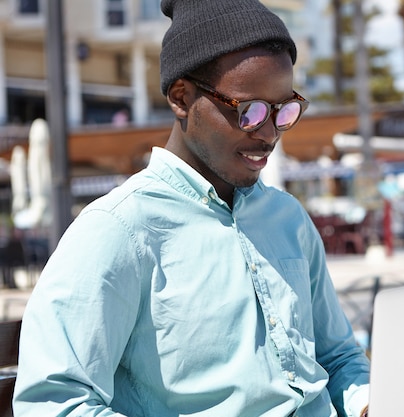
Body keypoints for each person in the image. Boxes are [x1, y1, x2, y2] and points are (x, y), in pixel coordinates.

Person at [12, 1, 371, 416]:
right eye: (249, 112)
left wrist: (368, 402)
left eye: (283, 110)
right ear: (182, 97)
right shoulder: (118, 231)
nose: (269, 134)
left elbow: (339, 357)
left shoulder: (287, 218)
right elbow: (52, 402)